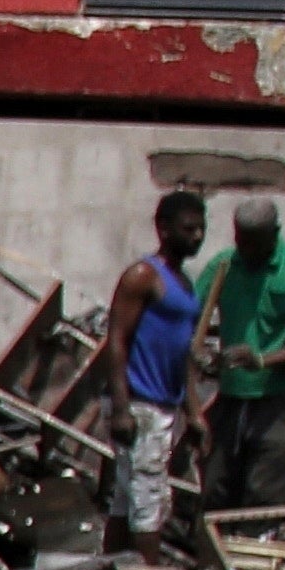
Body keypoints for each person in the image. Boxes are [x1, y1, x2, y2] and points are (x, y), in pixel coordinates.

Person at [208, 197, 285, 514]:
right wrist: (202, 355)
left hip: (280, 400)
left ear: (275, 233)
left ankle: (254, 544)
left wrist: (261, 360)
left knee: (264, 492)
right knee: (216, 488)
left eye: (254, 243)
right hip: (231, 397)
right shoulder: (224, 265)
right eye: (241, 241)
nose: (246, 250)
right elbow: (190, 315)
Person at [104, 193, 212, 546]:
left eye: (201, 229)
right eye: (188, 229)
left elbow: (183, 355)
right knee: (148, 504)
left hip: (163, 405)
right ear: (163, 229)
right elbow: (116, 341)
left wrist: (193, 413)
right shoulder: (143, 276)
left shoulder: (185, 285)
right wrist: (121, 408)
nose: (197, 236)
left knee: (126, 502)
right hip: (141, 405)